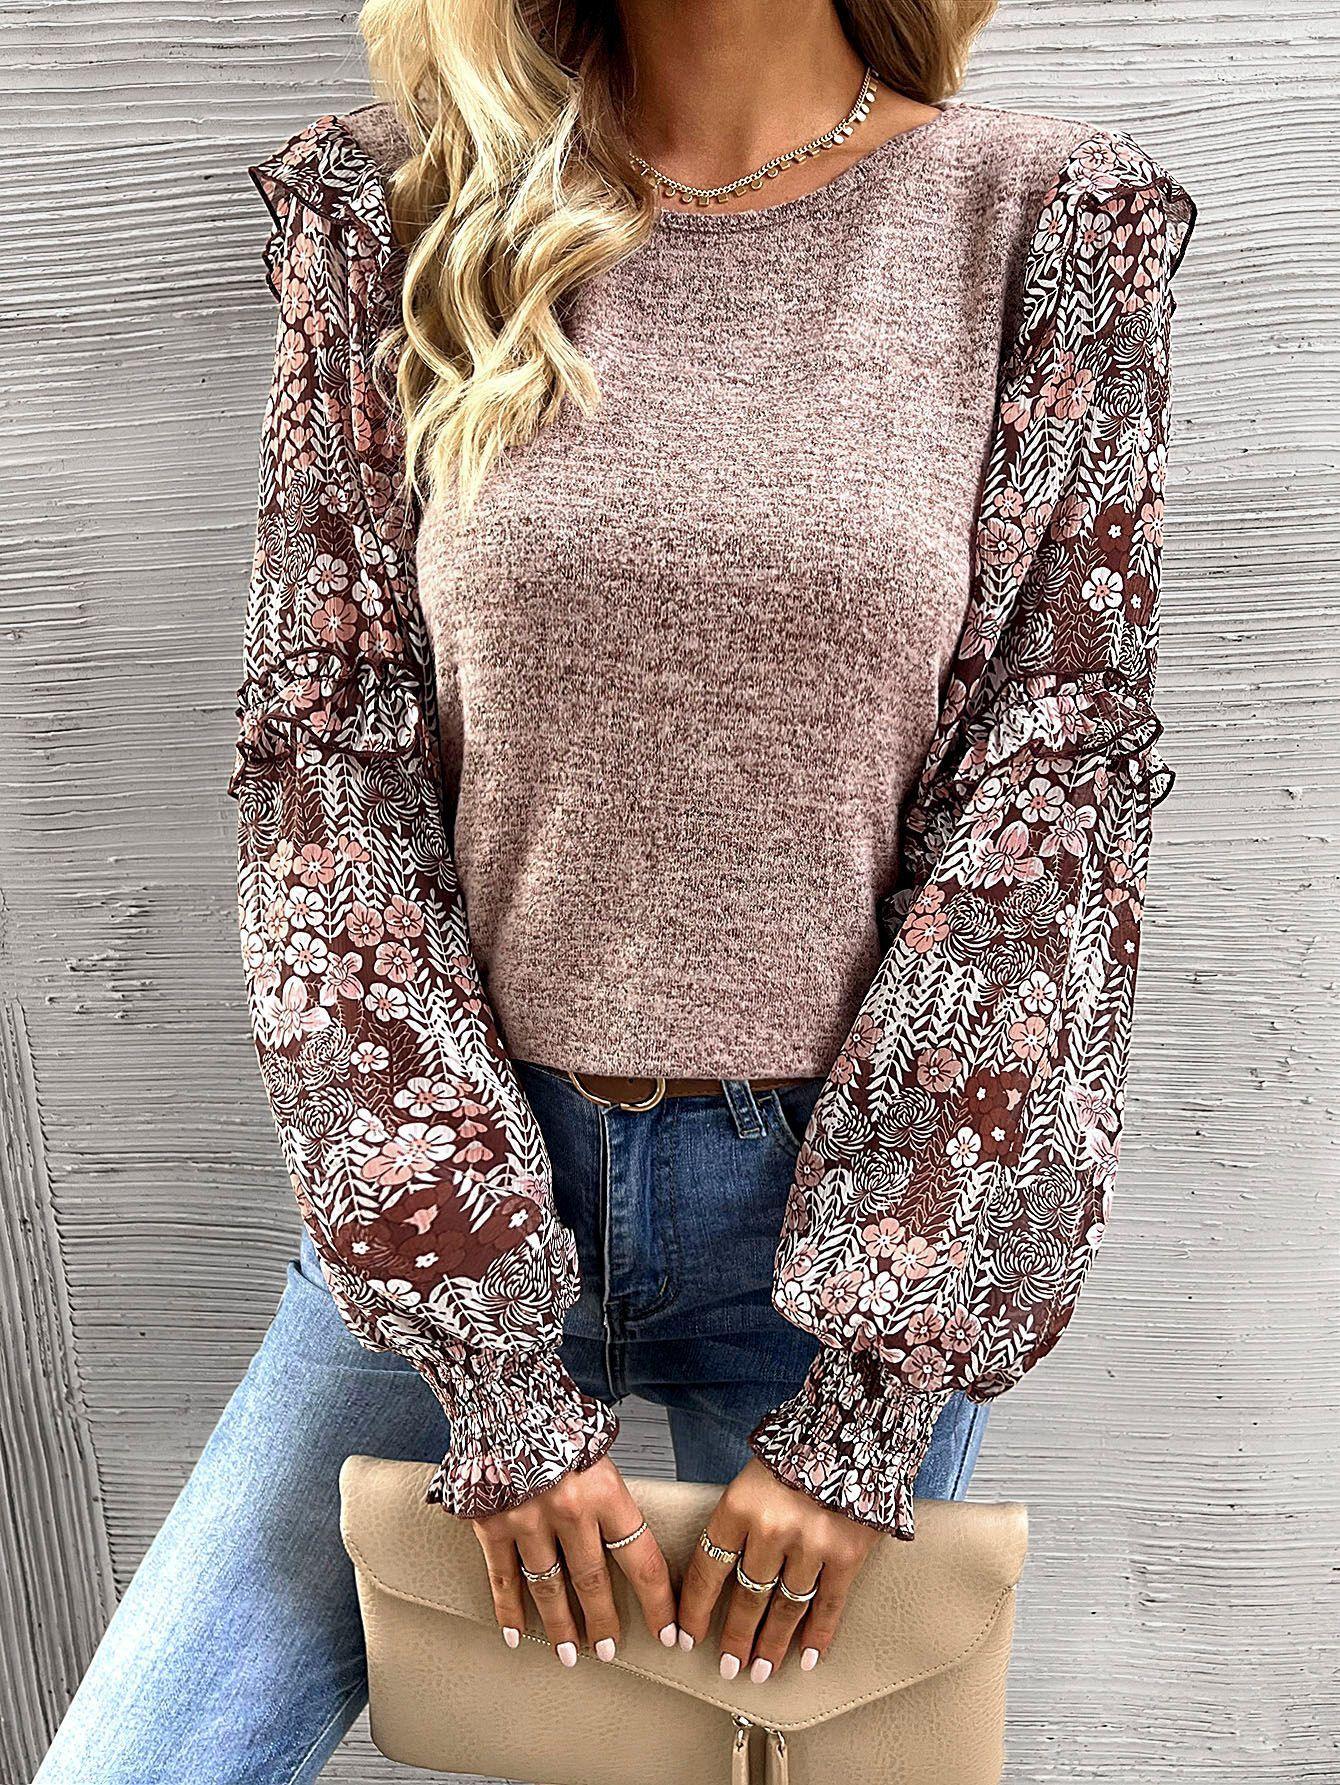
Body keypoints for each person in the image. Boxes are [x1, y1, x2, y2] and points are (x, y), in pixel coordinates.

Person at [35, 0, 1196, 1778]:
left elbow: (1048, 805)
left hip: (844, 1227)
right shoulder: (403, 214)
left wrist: (870, 1401)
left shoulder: (1039, 224)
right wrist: (489, 1357)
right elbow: (326, 767)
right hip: (450, 1189)